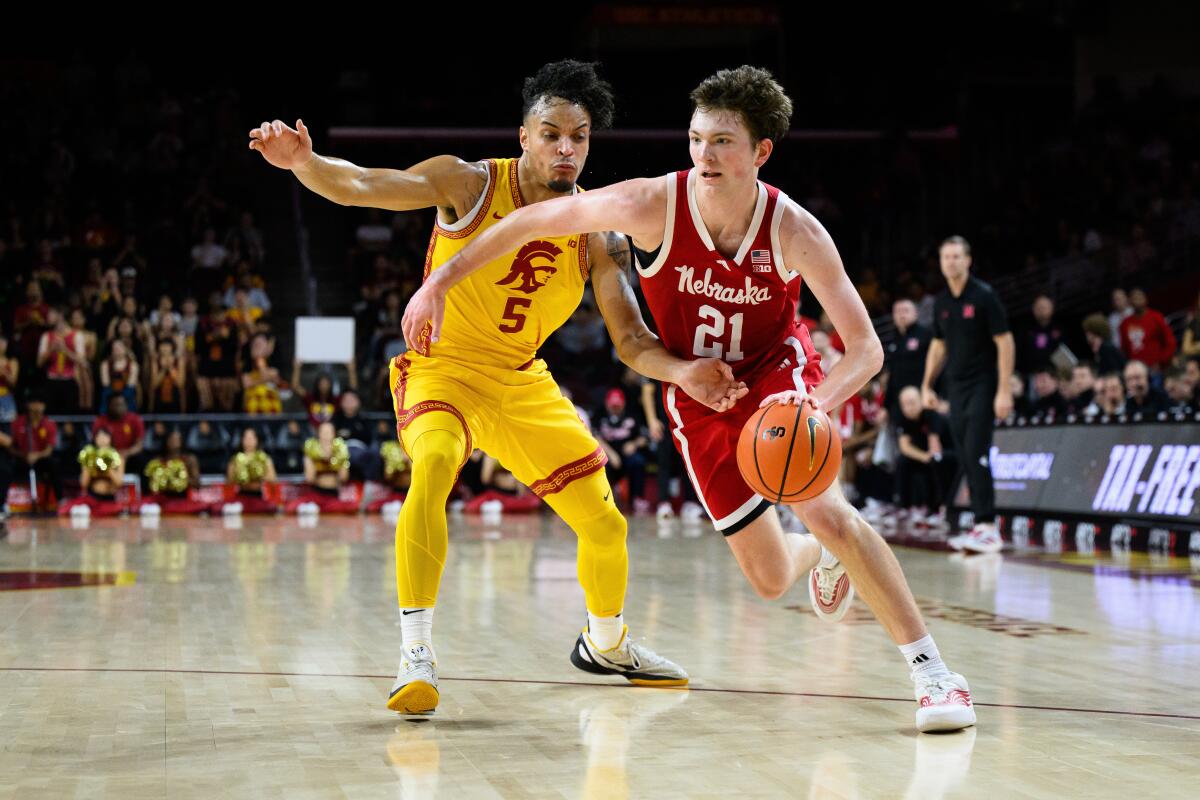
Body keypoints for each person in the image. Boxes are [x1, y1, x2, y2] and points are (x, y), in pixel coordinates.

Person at [411, 65, 976, 733]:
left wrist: (813, 405)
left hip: (775, 374)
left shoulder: (795, 229)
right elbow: (536, 219)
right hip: (695, 388)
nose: (705, 156)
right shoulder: (651, 205)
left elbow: (866, 350)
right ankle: (821, 554)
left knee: (825, 510)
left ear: (762, 151)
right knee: (768, 578)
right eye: (696, 138)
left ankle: (934, 674)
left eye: (724, 142)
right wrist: (439, 282)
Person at [251, 60, 728, 713]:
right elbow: (363, 184)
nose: (566, 148)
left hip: (521, 380)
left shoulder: (597, 229)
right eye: (552, 133)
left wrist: (682, 371)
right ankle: (415, 650)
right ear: (523, 136)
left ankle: (607, 642)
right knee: (436, 463)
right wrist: (305, 163)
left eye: (579, 137)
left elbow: (631, 338)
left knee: (606, 524)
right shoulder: (468, 183)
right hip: (442, 367)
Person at [921, 236, 1014, 554]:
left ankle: (989, 525)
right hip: (955, 387)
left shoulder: (984, 296)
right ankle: (980, 525)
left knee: (977, 451)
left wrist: (1003, 390)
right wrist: (926, 384)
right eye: (946, 257)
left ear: (968, 260)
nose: (951, 262)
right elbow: (938, 345)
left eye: (957, 256)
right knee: (964, 453)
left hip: (983, 384)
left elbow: (1005, 341)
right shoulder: (942, 303)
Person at [895, 386, 954, 527]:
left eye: (911, 402)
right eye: (904, 404)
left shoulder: (930, 415)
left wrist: (926, 457)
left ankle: (938, 509)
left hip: (949, 453)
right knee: (902, 461)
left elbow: (935, 448)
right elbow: (905, 447)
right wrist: (922, 457)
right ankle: (906, 507)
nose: (908, 408)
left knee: (935, 461)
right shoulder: (904, 420)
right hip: (925, 455)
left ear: (921, 401)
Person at [285, 421, 359, 513]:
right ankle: (316, 508)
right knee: (291, 508)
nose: (326, 436)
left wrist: (336, 461)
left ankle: (319, 509)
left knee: (352, 507)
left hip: (333, 494)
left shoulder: (341, 451)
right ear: (318, 434)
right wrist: (316, 460)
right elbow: (310, 478)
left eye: (329, 432)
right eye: (323, 432)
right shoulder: (311, 450)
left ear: (334, 434)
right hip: (316, 493)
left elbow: (344, 478)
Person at [57, 427, 125, 518]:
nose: (102, 440)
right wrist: (90, 467)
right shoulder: (89, 456)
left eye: (105, 436)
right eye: (99, 437)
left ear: (110, 439)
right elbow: (83, 484)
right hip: (92, 499)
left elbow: (119, 483)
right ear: (95, 439)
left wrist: (107, 468)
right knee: (65, 511)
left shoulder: (118, 458)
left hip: (110, 500)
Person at [11, 393, 62, 511]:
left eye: (40, 403)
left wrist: (36, 456)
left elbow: (49, 450)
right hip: (21, 458)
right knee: (5, 467)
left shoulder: (49, 424)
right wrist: (23, 455)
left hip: (40, 459)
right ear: (28, 405)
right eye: (34, 403)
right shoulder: (18, 422)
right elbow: (10, 446)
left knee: (53, 466)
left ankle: (60, 500)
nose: (37, 407)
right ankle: (3, 503)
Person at [142, 429, 206, 514]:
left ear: (182, 441)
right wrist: (163, 481)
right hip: (162, 500)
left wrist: (179, 480)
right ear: (166, 441)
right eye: (171, 439)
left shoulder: (189, 459)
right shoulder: (158, 461)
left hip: (183, 500)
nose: (173, 442)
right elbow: (149, 485)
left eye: (176, 440)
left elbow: (197, 483)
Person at [218, 427, 280, 514]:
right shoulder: (236, 458)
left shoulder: (264, 458)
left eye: (251, 438)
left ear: (256, 440)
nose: (249, 441)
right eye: (246, 438)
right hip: (241, 495)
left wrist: (257, 474)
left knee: (272, 508)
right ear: (242, 440)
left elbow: (273, 479)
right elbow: (228, 481)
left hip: (257, 496)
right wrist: (238, 473)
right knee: (220, 508)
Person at [1119, 288, 1176, 372]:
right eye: (1134, 298)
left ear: (1146, 299)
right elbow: (1124, 349)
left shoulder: (1156, 317)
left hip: (1158, 367)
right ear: (1130, 302)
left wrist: (1162, 361)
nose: (1137, 301)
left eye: (1140, 297)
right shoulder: (1125, 324)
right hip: (1137, 369)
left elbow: (1170, 342)